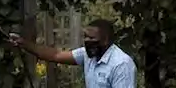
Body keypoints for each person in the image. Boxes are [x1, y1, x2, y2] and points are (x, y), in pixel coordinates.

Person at [8, 19, 136, 88]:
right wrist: (23, 43)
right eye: (85, 37)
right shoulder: (88, 55)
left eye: (92, 38)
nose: (87, 41)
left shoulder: (121, 64)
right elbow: (55, 55)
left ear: (106, 40)